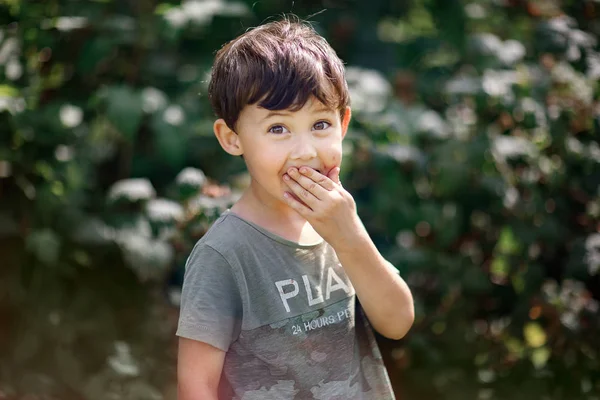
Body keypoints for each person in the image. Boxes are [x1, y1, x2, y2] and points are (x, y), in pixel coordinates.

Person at [176, 16, 415, 400]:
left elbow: (398, 321)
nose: (304, 152)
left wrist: (348, 235)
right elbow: (196, 385)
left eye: (320, 124)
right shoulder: (224, 254)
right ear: (232, 138)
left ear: (344, 123)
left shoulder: (338, 220)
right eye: (278, 129)